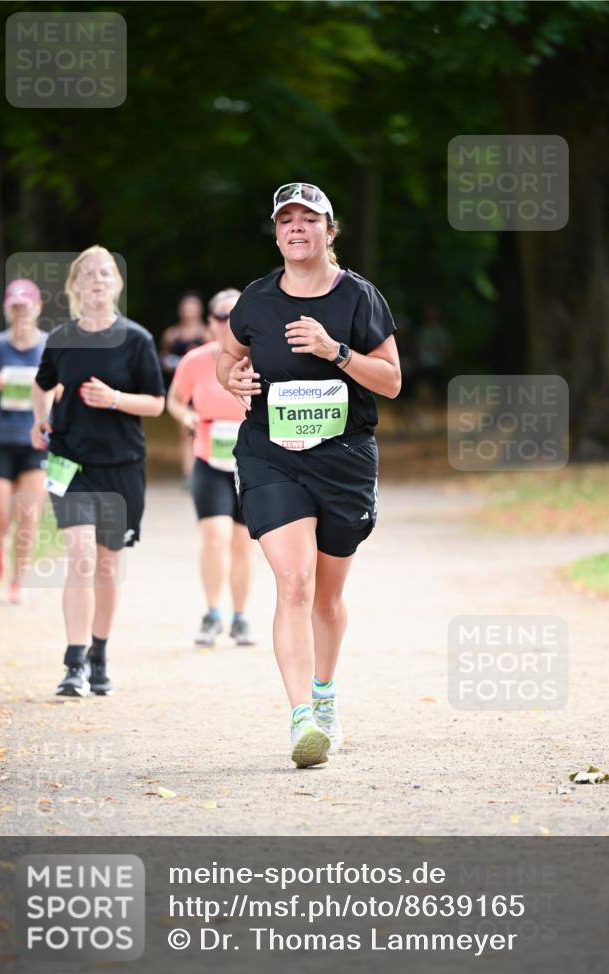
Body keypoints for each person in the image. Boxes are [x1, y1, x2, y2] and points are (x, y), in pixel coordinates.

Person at [217, 182, 401, 768]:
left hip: (343, 459)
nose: (296, 227)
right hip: (271, 454)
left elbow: (392, 381)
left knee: (327, 597)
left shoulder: (359, 299)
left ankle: (325, 694)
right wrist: (232, 379)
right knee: (292, 583)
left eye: (308, 219)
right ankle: (301, 720)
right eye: (286, 219)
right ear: (277, 232)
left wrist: (336, 352)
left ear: (329, 231)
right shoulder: (257, 300)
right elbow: (227, 354)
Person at [31, 246, 165, 697]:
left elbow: (156, 402)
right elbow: (42, 383)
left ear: (117, 283)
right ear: (75, 286)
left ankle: (99, 655)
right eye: (87, 273)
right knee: (82, 555)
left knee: (107, 566)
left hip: (122, 466)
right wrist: (39, 419)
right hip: (71, 463)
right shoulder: (62, 338)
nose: (97, 279)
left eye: (105, 272)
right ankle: (73, 664)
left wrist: (115, 400)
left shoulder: (136, 340)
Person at [168, 288, 256, 647]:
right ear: (210, 323)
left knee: (242, 544)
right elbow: (173, 400)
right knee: (214, 536)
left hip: (250, 463)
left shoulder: (261, 360)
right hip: (208, 458)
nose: (228, 322)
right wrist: (186, 414)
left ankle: (240, 617)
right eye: (221, 316)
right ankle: (211, 613)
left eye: (235, 316)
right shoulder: (196, 360)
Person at [0, 280, 47, 603]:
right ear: (7, 309)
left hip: (36, 441)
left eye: (26, 306)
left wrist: (45, 389)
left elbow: (62, 390)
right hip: (0, 440)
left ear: (38, 308)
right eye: (15, 307)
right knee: (1, 516)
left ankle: (18, 580)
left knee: (30, 515)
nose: (21, 313)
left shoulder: (48, 346)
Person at [160, 293, 209, 480]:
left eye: (193, 306)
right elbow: (163, 357)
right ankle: (189, 475)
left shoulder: (206, 332)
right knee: (185, 431)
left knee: (203, 430)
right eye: (186, 307)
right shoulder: (172, 334)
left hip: (201, 387)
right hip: (182, 387)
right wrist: (172, 362)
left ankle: (205, 471)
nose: (189, 311)